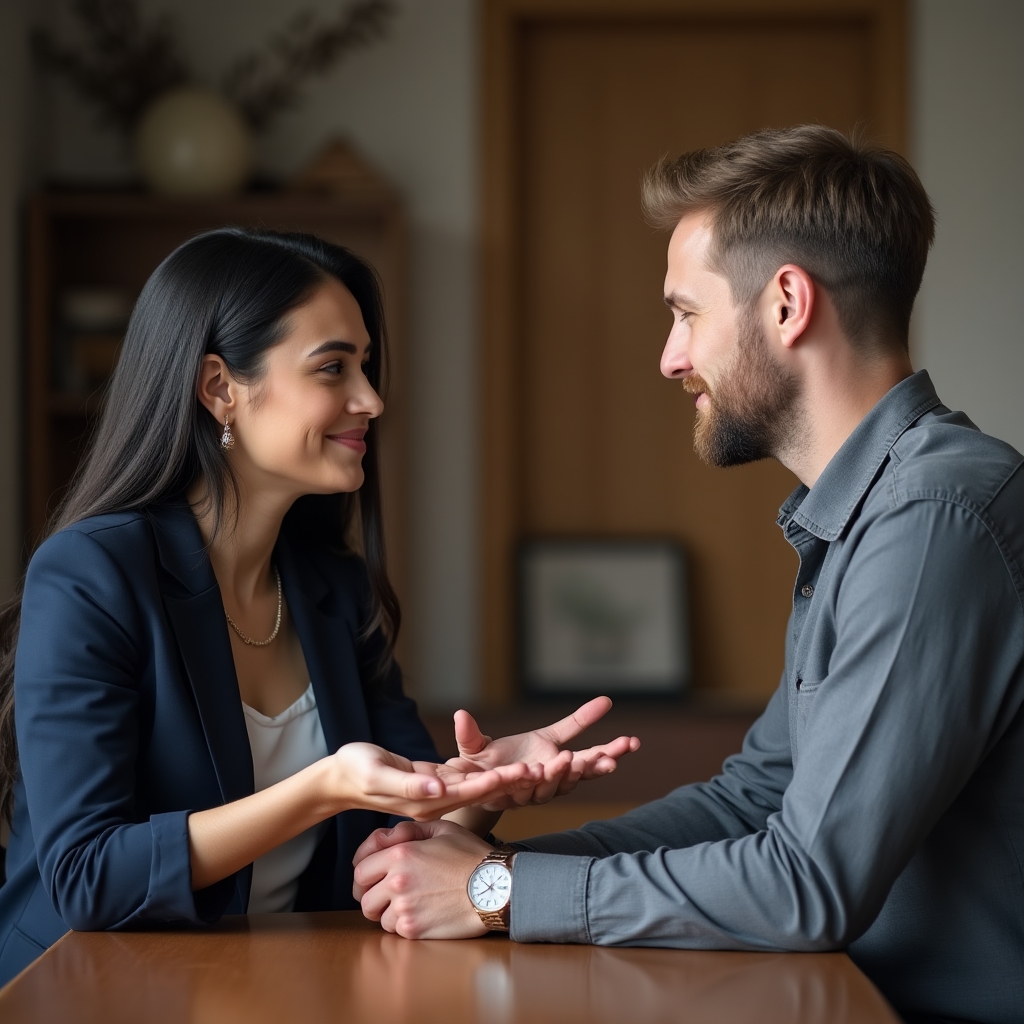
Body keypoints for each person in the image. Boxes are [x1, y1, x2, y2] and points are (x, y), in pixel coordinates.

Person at [350, 127, 1024, 1024]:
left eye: (686, 313)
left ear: (787, 304)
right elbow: (756, 799)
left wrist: (499, 891)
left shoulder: (931, 519)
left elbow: (807, 884)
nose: (671, 356)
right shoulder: (879, 511)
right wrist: (484, 872)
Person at [0, 228, 640, 986]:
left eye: (365, 367)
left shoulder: (332, 588)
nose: (370, 398)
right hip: (87, 991)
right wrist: (320, 788)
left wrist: (482, 792)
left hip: (278, 986)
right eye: (333, 368)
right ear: (218, 388)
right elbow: (86, 877)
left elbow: (394, 842)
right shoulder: (91, 574)